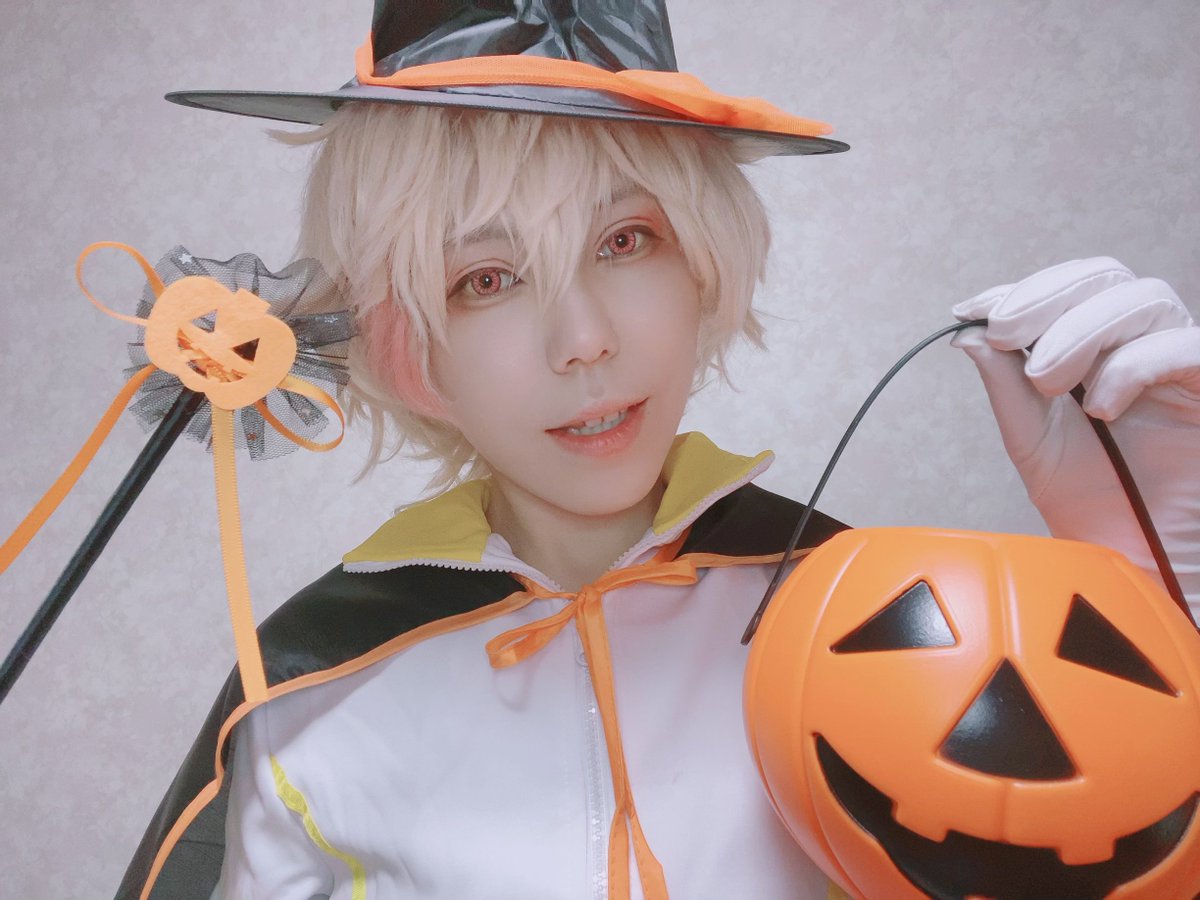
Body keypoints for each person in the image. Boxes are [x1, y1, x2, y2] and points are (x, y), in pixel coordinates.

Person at [117, 2, 1200, 898]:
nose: (585, 340)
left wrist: (1165, 601)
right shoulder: (308, 689)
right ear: (403, 344)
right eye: (485, 278)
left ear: (703, 266)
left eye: (625, 240)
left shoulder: (880, 621)